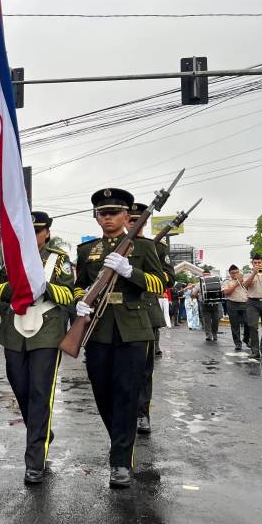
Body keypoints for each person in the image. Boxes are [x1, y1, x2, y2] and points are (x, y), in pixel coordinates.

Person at [74, 188, 166, 489]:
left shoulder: (141, 247)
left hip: (132, 329)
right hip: (98, 328)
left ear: (127, 216)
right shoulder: (87, 251)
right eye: (103, 213)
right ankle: (120, 441)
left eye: (114, 212)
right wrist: (81, 301)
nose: (108, 217)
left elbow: (158, 282)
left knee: (127, 393)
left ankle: (121, 462)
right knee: (102, 393)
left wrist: (129, 271)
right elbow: (80, 285)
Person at [0, 211, 74, 485]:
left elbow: (69, 295)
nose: (34, 237)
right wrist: (17, 285)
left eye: (38, 232)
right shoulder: (10, 257)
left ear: (46, 233)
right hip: (15, 329)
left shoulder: (59, 259)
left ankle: (35, 459)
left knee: (40, 391)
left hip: (47, 330)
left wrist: (44, 286)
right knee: (21, 387)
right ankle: (41, 430)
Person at [127, 202, 174, 435]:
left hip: (146, 309)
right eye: (130, 219)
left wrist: (138, 273)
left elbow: (168, 279)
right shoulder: (111, 246)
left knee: (144, 369)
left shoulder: (157, 248)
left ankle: (142, 413)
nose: (134, 224)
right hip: (118, 313)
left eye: (138, 220)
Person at [222, 265, 250, 351]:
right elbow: (226, 292)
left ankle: (246, 338)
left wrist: (242, 282)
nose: (235, 274)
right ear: (230, 273)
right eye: (233, 273)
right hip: (232, 304)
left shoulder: (245, 280)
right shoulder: (227, 281)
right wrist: (236, 284)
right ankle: (238, 343)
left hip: (245, 303)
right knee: (235, 325)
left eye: (236, 272)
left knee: (248, 323)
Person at [193, 270, 221, 342]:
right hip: (204, 303)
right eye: (205, 275)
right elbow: (193, 295)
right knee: (207, 320)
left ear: (210, 275)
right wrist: (196, 293)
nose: (206, 276)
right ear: (202, 275)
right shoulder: (199, 284)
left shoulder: (215, 282)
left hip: (215, 303)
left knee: (216, 320)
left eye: (208, 274)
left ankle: (214, 333)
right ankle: (208, 335)